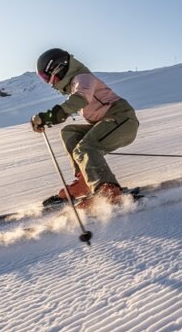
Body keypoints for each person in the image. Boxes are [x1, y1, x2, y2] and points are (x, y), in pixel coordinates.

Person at [31, 48, 139, 210]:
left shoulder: (83, 78)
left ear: (58, 68)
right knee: (70, 132)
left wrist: (49, 116)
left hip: (122, 120)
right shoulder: (75, 83)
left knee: (86, 147)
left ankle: (108, 191)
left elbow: (79, 100)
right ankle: (84, 182)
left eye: (46, 76)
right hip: (108, 123)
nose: (48, 82)